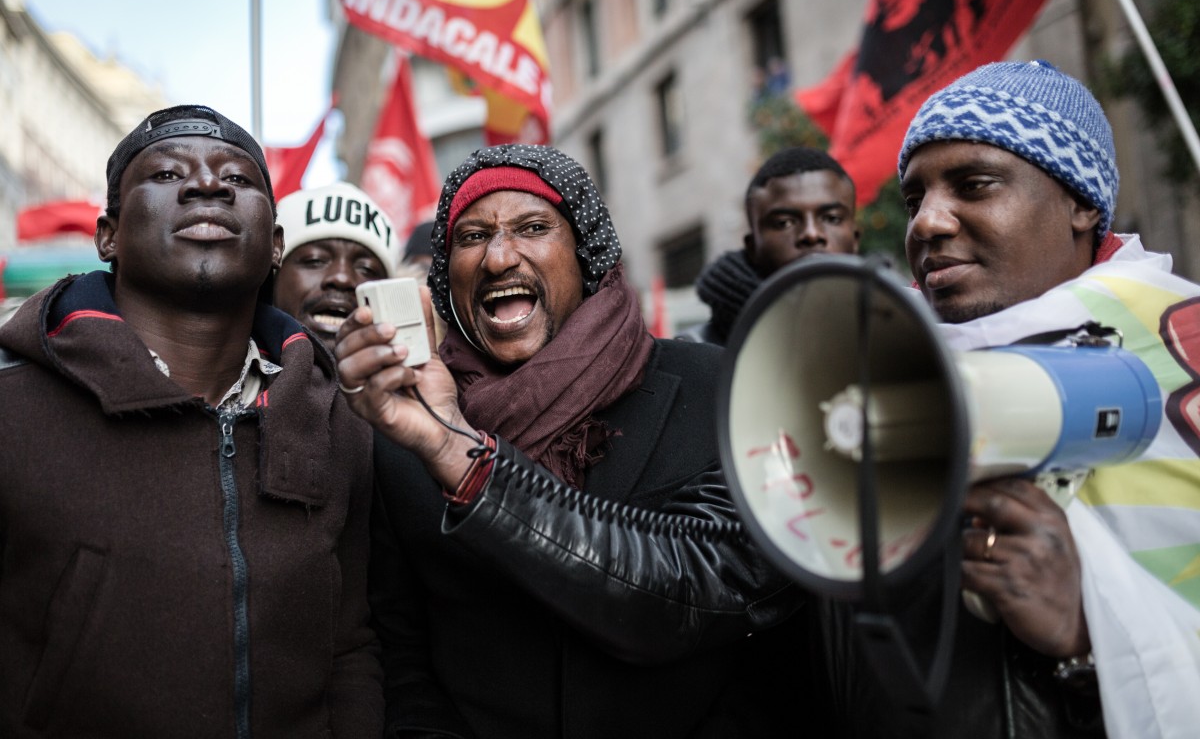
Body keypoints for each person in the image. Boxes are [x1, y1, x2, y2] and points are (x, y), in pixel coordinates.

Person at [334, 144, 802, 738]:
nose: (499, 258)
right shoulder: (407, 433)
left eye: (532, 228)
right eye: (471, 237)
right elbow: (403, 657)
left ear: (587, 256)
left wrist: (464, 457)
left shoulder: (717, 388)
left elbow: (706, 596)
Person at [817, 61, 1200, 737]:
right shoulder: (868, 371)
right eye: (914, 200)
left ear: (1081, 203)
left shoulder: (1183, 346)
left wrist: (1091, 635)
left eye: (974, 185)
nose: (928, 223)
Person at [0, 105, 383, 737]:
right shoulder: (13, 406)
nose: (207, 186)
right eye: (169, 173)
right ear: (109, 236)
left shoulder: (339, 421)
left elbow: (349, 646)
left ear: (276, 246)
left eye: (237, 180)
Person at [680, 146, 859, 344]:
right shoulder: (699, 350)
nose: (811, 234)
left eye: (832, 218)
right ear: (752, 247)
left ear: (855, 239)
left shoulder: (896, 321)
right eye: (784, 223)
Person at [273, 181, 400, 350]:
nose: (342, 278)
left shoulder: (424, 374)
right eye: (315, 260)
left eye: (367, 269)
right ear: (272, 276)